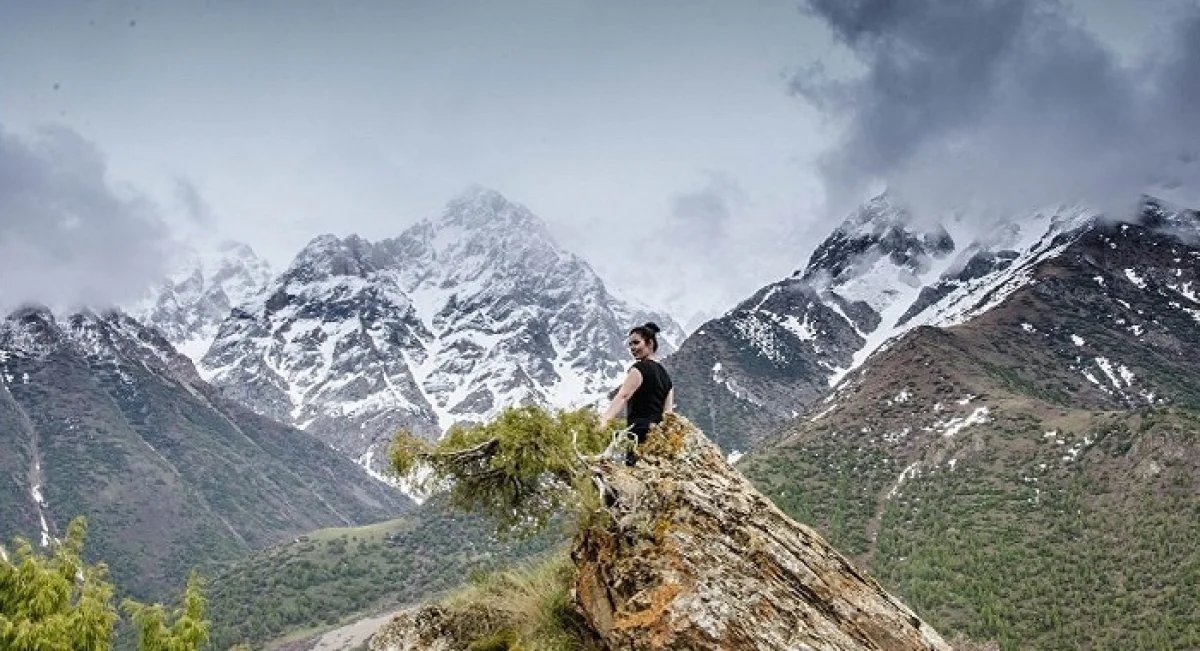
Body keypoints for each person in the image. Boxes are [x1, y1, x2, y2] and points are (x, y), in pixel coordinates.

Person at [600, 322, 674, 465]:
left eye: (636, 343)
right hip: (656, 438)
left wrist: (605, 420)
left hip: (637, 434)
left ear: (650, 343)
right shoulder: (667, 377)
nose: (632, 348)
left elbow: (623, 395)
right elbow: (668, 414)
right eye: (630, 345)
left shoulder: (639, 369)